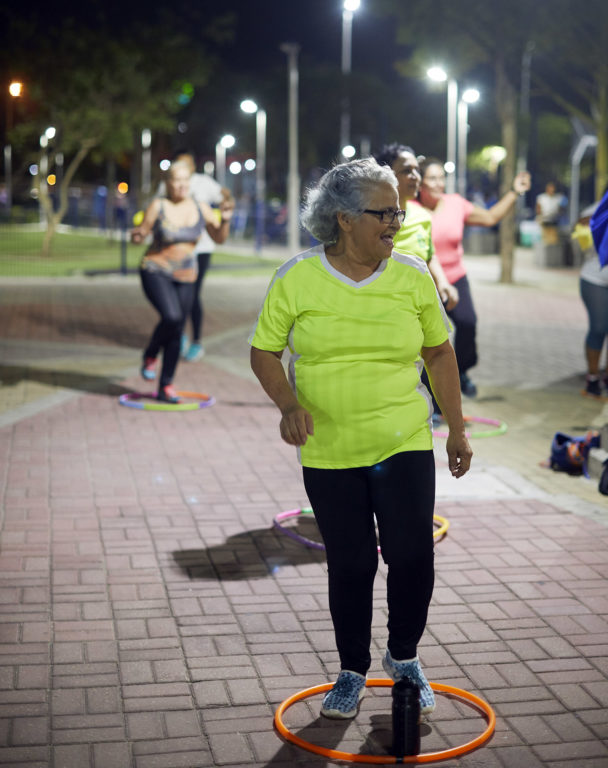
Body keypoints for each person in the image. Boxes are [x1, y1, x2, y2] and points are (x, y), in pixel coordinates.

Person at [249, 157, 472, 720]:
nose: (396, 220)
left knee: (412, 555)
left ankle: (403, 657)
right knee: (350, 565)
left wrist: (457, 430)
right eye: (384, 212)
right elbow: (264, 350)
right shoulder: (297, 277)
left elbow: (439, 353)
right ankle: (351, 670)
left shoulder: (413, 274)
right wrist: (288, 404)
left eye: (399, 210)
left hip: (403, 439)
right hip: (330, 449)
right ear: (344, 219)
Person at [418, 157, 531, 398]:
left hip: (455, 277)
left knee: (468, 323)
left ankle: (461, 373)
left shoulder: (455, 204)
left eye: (441, 178)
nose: (439, 183)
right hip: (424, 282)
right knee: (430, 340)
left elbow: (490, 217)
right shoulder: (410, 209)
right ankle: (431, 397)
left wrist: (514, 192)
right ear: (419, 182)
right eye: (432, 178)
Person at [131, 159, 234, 402]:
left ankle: (165, 385)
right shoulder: (159, 205)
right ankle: (151, 353)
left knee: (177, 330)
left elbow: (219, 238)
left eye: (185, 181)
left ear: (190, 182)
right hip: (156, 270)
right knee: (172, 317)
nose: (181, 185)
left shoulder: (201, 207)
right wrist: (137, 235)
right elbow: (142, 233)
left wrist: (226, 219)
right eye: (176, 181)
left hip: (187, 275)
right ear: (168, 183)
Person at [374, 143, 458, 311]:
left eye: (416, 171)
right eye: (406, 171)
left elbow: (429, 255)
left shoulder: (423, 216)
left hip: (416, 303)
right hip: (380, 304)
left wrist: (442, 282)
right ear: (386, 175)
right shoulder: (371, 218)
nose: (415, 177)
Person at [164, 152, 229, 363]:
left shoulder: (203, 183)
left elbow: (225, 196)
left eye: (187, 163)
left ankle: (196, 341)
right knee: (174, 293)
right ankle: (178, 334)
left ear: (192, 166)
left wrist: (226, 209)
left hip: (200, 250)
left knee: (191, 294)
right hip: (175, 250)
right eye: (179, 162)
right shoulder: (167, 187)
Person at [575, 182, 608, 398]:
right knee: (599, 328)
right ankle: (592, 378)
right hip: (596, 279)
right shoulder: (595, 211)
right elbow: (582, 240)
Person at [536, 181, 567, 245]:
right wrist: (540, 217)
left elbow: (561, 208)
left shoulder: (557, 198)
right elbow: (538, 208)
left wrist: (558, 215)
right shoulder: (542, 197)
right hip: (544, 220)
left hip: (554, 220)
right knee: (545, 238)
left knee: (553, 239)